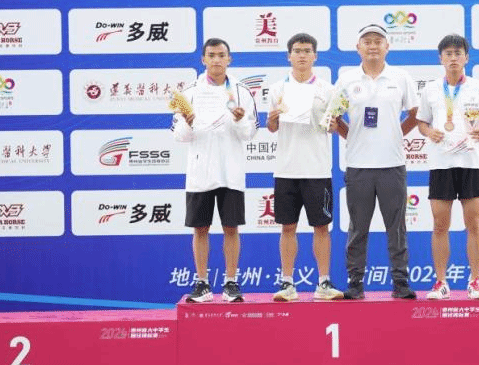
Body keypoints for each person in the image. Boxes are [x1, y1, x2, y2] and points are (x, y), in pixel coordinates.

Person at [332, 24, 419, 299]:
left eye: (378, 41)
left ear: (387, 47)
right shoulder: (346, 79)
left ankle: (400, 282)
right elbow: (334, 117)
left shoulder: (400, 77)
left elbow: (415, 113)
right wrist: (351, 136)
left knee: (397, 227)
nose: (372, 46)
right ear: (358, 47)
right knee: (358, 228)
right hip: (358, 165)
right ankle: (355, 283)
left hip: (392, 164)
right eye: (367, 41)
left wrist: (395, 134)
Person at [172, 38, 258, 303]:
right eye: (212, 55)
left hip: (230, 171)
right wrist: (187, 123)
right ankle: (202, 284)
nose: (217, 60)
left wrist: (240, 120)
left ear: (229, 59)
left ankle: (231, 283)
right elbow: (180, 136)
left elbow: (250, 133)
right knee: (200, 229)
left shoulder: (242, 92)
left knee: (231, 228)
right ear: (203, 59)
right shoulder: (188, 93)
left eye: (222, 55)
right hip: (200, 172)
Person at [266, 33, 345, 301]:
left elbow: (333, 126)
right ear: (288, 56)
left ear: (315, 56)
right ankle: (287, 283)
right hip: (286, 169)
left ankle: (323, 283)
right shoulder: (277, 89)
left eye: (307, 50)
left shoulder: (328, 90)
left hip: (317, 169)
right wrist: (272, 120)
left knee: (321, 227)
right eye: (297, 51)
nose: (302, 55)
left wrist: (334, 125)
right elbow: (272, 127)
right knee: (287, 227)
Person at [415, 34, 479, 300]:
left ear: (466, 58)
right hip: (441, 163)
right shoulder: (430, 89)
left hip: (470, 162)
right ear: (440, 58)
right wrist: (429, 132)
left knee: (474, 224)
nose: (453, 58)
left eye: (458, 53)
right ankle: (441, 282)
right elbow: (422, 122)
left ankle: (475, 282)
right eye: (448, 54)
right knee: (440, 224)